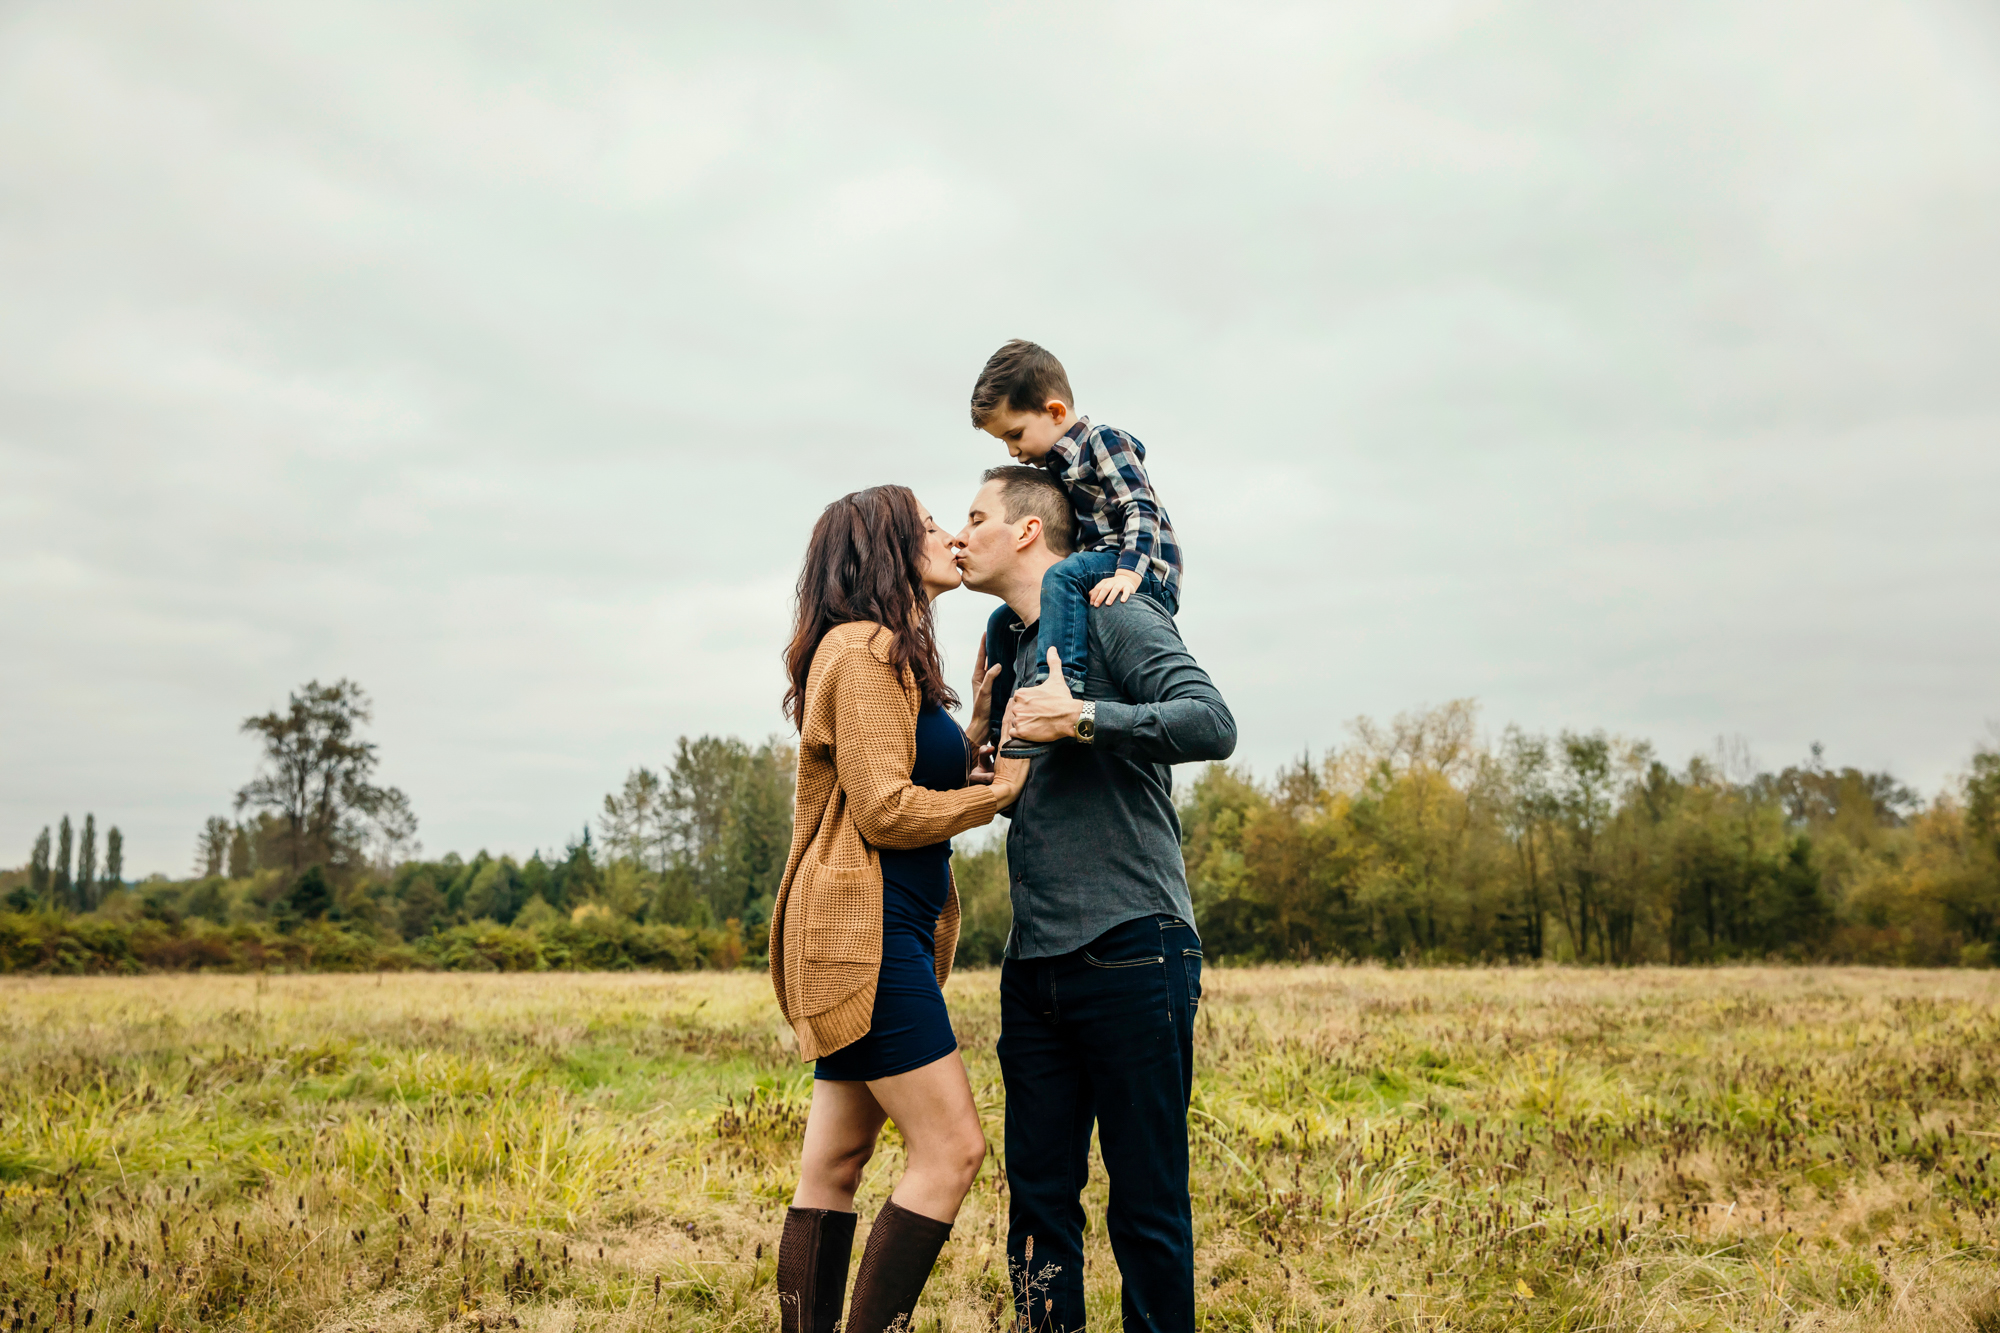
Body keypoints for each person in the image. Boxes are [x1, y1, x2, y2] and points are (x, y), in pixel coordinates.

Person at [954, 466, 1236, 1333]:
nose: (959, 536)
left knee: (1146, 1205)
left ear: (1030, 532)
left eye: (974, 518)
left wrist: (1082, 719)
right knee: (1039, 1205)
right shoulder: (1007, 645)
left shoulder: (1114, 608)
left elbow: (1211, 721)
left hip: (1133, 947)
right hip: (1032, 963)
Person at [769, 484, 1028, 1333]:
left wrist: (974, 728)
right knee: (952, 1150)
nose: (952, 536)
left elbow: (906, 779)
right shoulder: (868, 648)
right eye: (929, 526)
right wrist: (998, 799)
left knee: (835, 1162)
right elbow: (885, 808)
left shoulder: (877, 655)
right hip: (865, 938)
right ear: (885, 549)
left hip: (877, 933)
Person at [968, 340, 1184, 757]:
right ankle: (1002, 736)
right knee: (1001, 621)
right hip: (1098, 564)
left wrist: (1129, 571)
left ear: (1055, 412)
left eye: (1015, 434)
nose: (1013, 450)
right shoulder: (1054, 468)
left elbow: (1140, 506)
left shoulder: (1102, 442)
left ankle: (1061, 684)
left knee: (1061, 574)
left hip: (1139, 566)